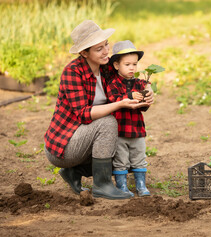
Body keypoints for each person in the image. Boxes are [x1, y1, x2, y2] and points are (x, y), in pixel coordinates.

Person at [44, 20, 154, 200]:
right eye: (98, 49)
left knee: (123, 154)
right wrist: (119, 104)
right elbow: (83, 114)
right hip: (65, 144)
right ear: (84, 53)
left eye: (106, 45)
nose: (106, 52)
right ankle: (102, 185)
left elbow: (132, 79)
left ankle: (74, 173)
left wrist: (149, 90)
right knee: (109, 122)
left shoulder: (107, 68)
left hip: (89, 137)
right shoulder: (73, 72)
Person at [106, 40, 151, 197]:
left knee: (139, 158)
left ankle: (141, 185)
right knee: (121, 160)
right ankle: (122, 186)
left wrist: (148, 95)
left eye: (134, 64)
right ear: (117, 65)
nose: (132, 68)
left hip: (137, 129)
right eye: (127, 64)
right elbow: (113, 99)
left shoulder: (140, 83)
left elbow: (144, 106)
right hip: (119, 130)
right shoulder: (113, 83)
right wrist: (129, 96)